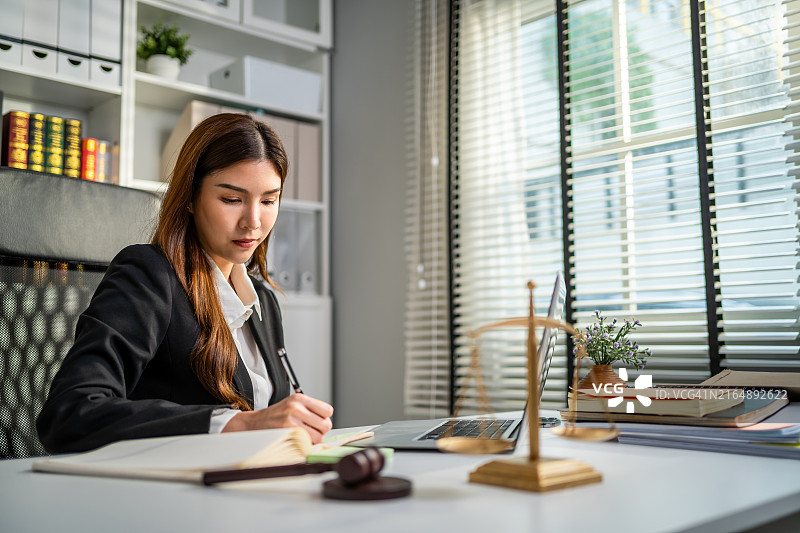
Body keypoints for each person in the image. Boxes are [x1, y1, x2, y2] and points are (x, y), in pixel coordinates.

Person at [36, 113, 333, 454]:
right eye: (232, 199)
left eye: (268, 200)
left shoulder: (263, 300)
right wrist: (233, 424)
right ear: (190, 198)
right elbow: (70, 413)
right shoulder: (149, 275)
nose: (253, 221)